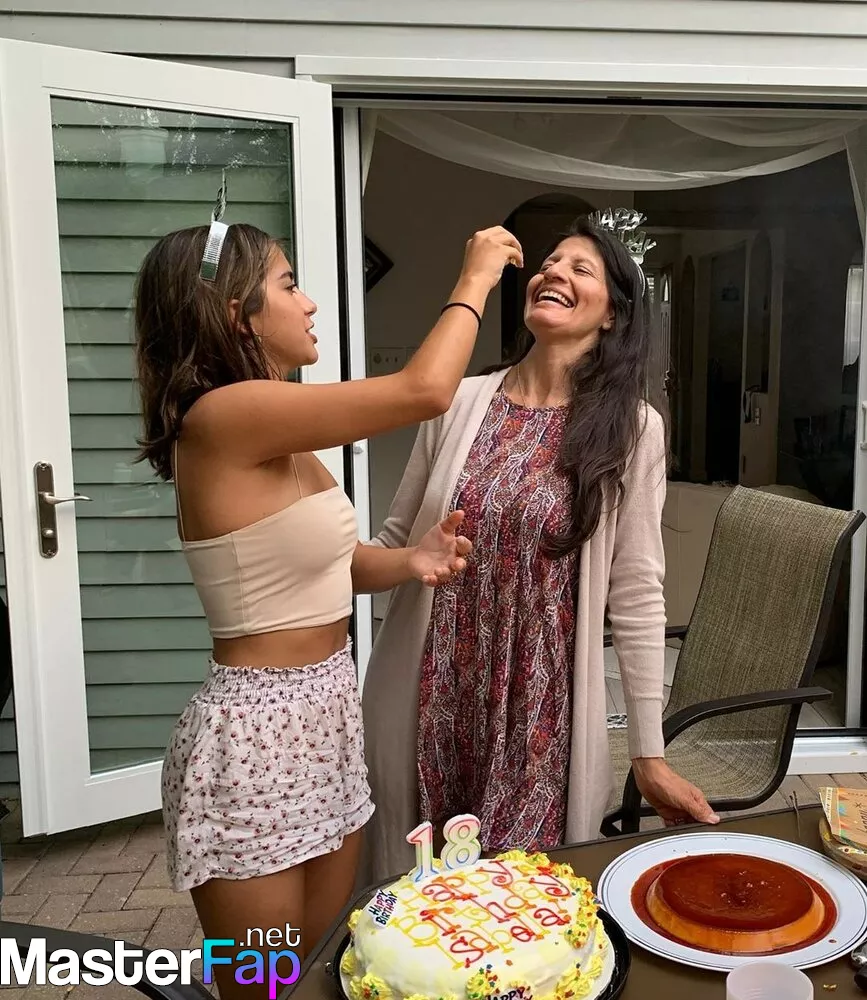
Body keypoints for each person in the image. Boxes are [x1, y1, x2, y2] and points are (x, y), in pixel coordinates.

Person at [133, 220, 522, 999]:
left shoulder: (281, 430)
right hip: (255, 740)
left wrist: (411, 560)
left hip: (327, 719)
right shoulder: (223, 415)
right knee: (263, 987)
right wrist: (476, 276)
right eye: (288, 284)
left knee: (315, 968)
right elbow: (424, 390)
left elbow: (334, 564)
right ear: (236, 311)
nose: (309, 303)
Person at [361, 213, 718, 883]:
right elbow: (394, 543)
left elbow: (637, 592)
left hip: (539, 713)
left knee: (521, 895)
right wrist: (305, 560)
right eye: (550, 262)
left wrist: (648, 753)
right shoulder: (457, 402)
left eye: (581, 268)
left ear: (613, 315)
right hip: (435, 693)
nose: (554, 272)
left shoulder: (632, 430)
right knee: (421, 894)